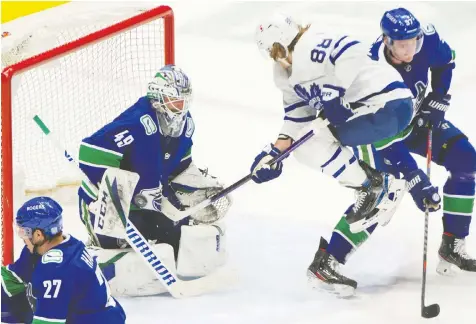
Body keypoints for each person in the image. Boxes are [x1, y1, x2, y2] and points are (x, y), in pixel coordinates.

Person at [309, 7, 475, 297]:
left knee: (466, 160)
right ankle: (327, 261)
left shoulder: (427, 40)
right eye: (402, 44)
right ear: (386, 41)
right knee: (384, 194)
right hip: (376, 131)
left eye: (413, 41)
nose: (410, 49)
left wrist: (438, 97)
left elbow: (446, 62)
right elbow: (383, 136)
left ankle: (452, 245)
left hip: (413, 120)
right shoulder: (372, 68)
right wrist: (413, 178)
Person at [77, 64, 232, 296]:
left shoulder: (185, 124)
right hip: (104, 206)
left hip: (148, 203)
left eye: (184, 101)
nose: (182, 108)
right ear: (159, 98)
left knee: (173, 239)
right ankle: (98, 247)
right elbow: (89, 153)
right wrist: (123, 194)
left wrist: (196, 189)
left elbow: (180, 167)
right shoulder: (138, 122)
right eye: (176, 101)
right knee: (118, 243)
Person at [252, 14, 415, 232]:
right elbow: (297, 117)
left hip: (388, 104)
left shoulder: (311, 44)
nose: (274, 58)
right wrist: (274, 154)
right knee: (305, 146)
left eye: (273, 52)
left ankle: (378, 186)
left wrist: (333, 92)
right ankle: (369, 185)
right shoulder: (285, 73)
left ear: (280, 44)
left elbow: (353, 50)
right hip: (373, 112)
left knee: (310, 143)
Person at [1, 197, 126, 324]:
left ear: (38, 234)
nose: (23, 238)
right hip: (94, 313)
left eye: (24, 232)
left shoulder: (56, 269)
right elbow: (10, 278)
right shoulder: (65, 243)